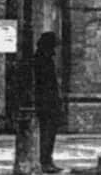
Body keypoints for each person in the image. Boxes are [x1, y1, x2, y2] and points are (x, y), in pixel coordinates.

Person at [34, 32, 64, 174]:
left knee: (49, 134)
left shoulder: (44, 59)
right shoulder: (42, 61)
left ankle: (47, 160)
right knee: (47, 133)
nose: (55, 51)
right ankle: (45, 161)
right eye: (53, 47)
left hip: (49, 103)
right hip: (46, 104)